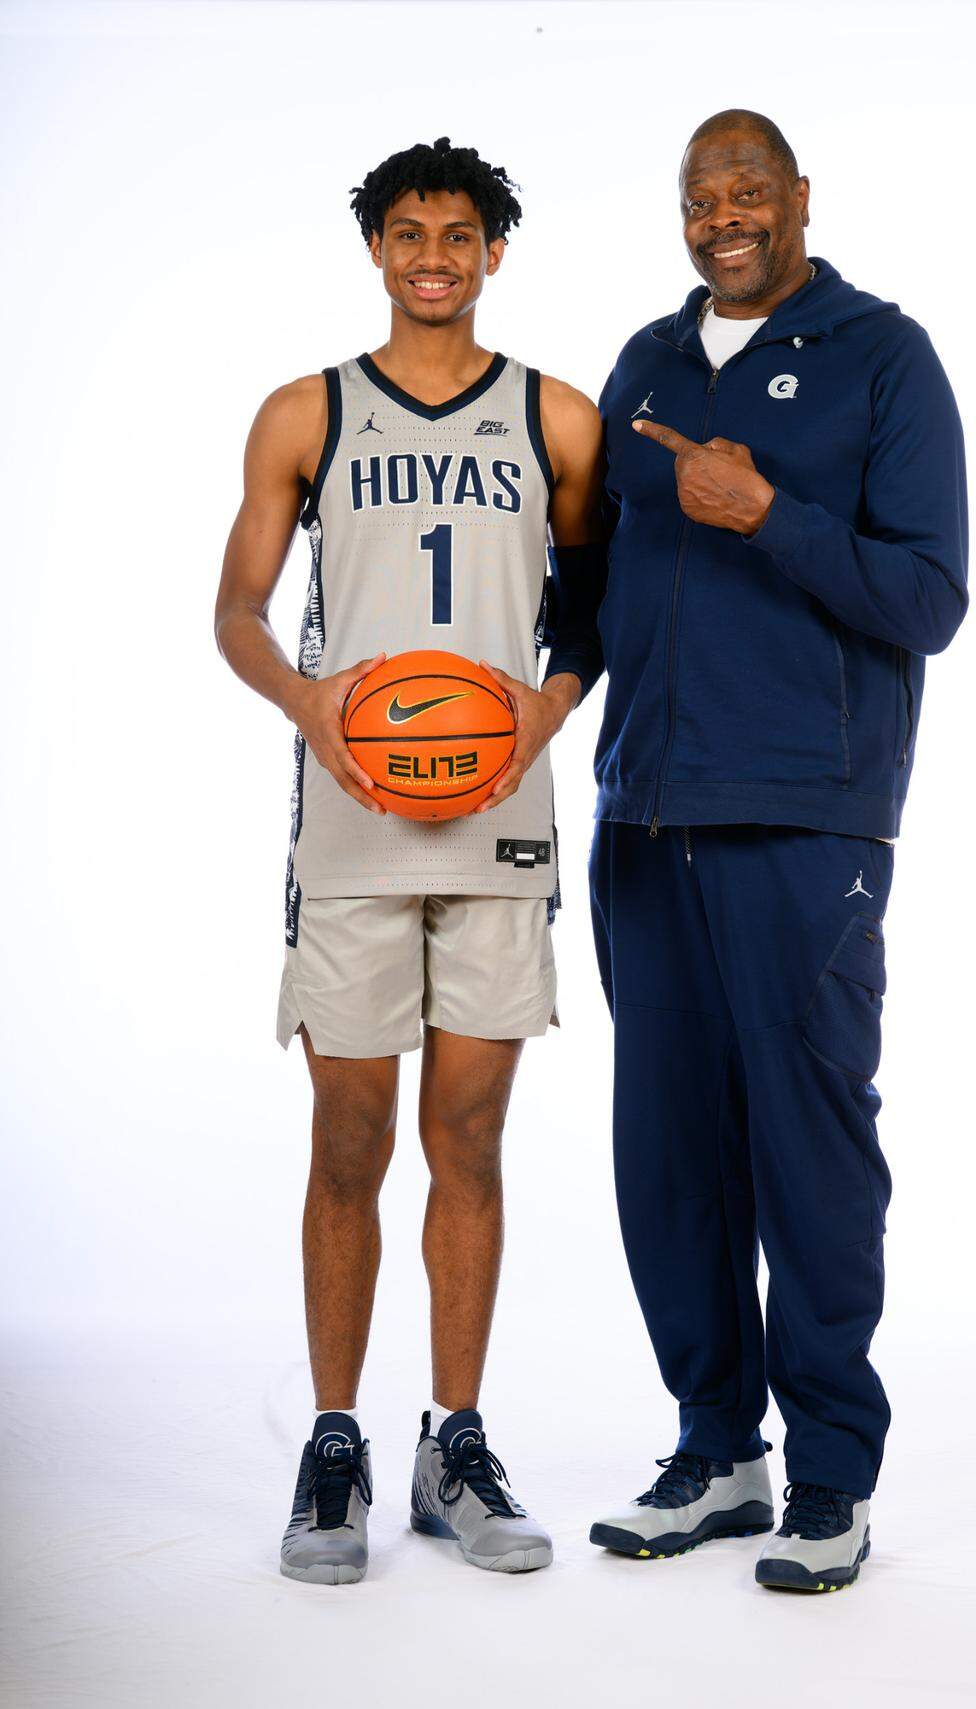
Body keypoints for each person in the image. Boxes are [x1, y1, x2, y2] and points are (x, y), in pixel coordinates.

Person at [581, 109, 968, 1591]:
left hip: (807, 818)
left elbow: (928, 597)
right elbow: (593, 574)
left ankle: (830, 1475)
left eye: (748, 191)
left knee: (810, 1149)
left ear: (798, 198)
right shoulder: (647, 363)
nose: (723, 215)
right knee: (669, 1151)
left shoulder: (884, 354)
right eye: (700, 196)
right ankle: (715, 1447)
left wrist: (770, 513)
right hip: (646, 815)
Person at [214, 136, 602, 1582]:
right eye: (408, 232)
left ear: (495, 252)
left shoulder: (555, 417)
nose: (433, 253)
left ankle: (455, 1439)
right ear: (376, 250)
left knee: (472, 1139)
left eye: (459, 233)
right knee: (351, 1142)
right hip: (357, 819)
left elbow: (596, 607)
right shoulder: (305, 413)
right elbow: (240, 608)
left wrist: (541, 714)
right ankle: (335, 1443)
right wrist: (309, 700)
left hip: (500, 818)